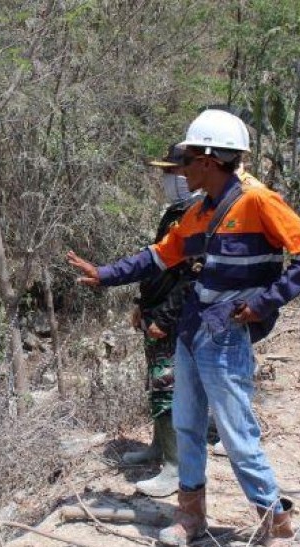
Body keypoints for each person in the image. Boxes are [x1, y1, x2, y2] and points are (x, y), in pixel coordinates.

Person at [68, 109, 300, 547]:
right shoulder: (200, 210)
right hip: (193, 328)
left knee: (236, 432)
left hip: (225, 332)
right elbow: (161, 255)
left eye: (186, 160)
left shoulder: (258, 201)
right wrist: (106, 274)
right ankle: (191, 516)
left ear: (208, 159)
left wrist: (264, 302)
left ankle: (276, 525)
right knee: (187, 424)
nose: (181, 170)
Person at [102, 143, 199, 497]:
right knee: (156, 385)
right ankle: (158, 449)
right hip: (155, 313)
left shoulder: (196, 214)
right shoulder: (175, 212)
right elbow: (157, 265)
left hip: (172, 319)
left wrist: (167, 317)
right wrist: (142, 303)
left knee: (168, 388)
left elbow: (192, 277)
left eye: (171, 171)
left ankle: (174, 468)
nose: (166, 179)